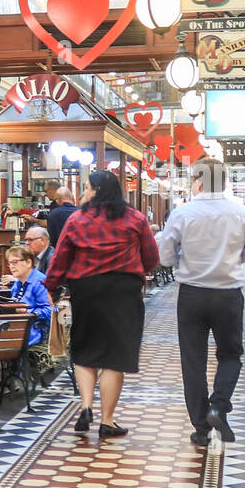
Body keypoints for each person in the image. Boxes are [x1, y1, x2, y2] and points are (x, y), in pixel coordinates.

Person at [155, 157, 245, 445]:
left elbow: (165, 256)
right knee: (230, 354)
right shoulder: (240, 212)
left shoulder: (183, 213)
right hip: (228, 294)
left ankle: (201, 428)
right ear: (225, 180)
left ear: (198, 181)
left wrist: (185, 260)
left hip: (192, 294)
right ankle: (219, 405)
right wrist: (232, 259)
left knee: (193, 361)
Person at [44, 170, 159, 439]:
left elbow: (60, 258)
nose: (83, 192)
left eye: (86, 187)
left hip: (87, 290)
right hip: (123, 292)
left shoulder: (77, 219)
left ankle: (86, 406)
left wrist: (51, 287)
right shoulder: (135, 218)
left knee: (85, 348)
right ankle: (107, 420)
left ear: (96, 190)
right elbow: (152, 257)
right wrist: (137, 269)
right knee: (115, 357)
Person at [4, 245, 52, 345]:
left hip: (37, 330)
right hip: (19, 327)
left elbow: (51, 311)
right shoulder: (18, 283)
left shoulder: (40, 281)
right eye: (10, 263)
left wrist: (27, 311)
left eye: (15, 262)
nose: (12, 266)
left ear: (28, 262)